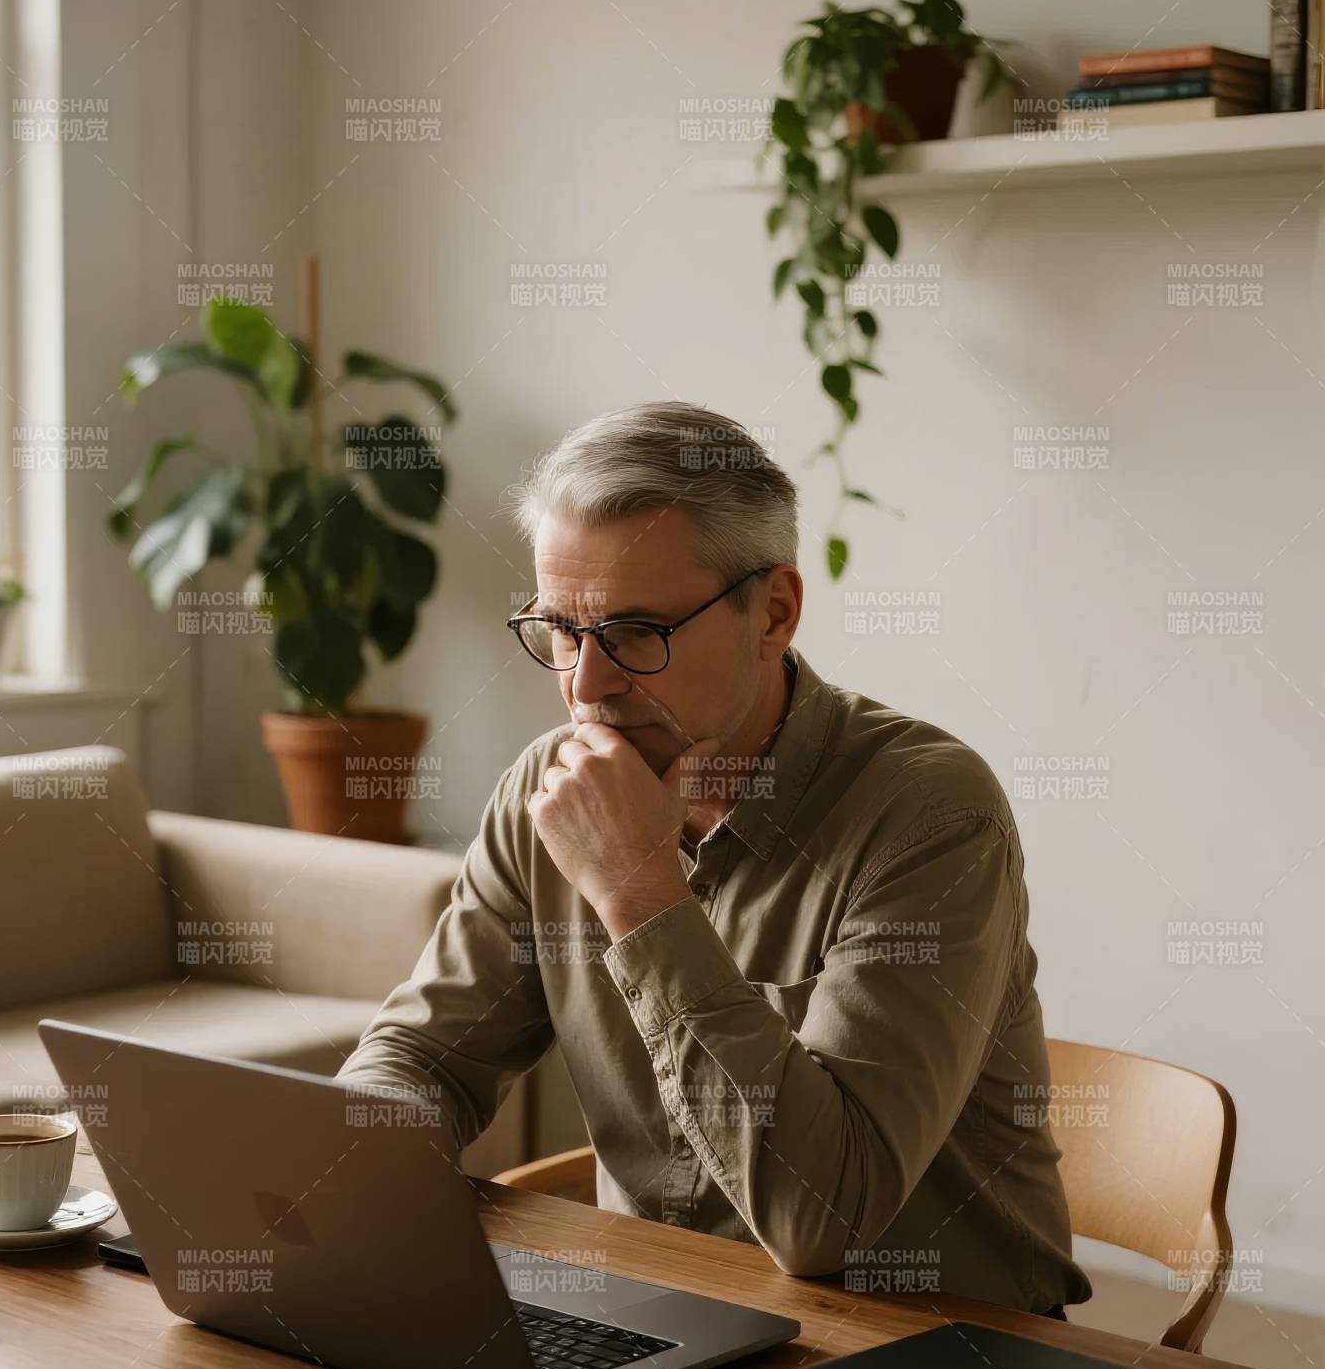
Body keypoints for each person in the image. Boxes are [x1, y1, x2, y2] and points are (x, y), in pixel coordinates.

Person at [339, 400, 1090, 1316]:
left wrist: (636, 889)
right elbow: (426, 1059)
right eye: (561, 630)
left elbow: (825, 1221)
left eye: (635, 633)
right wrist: (345, 1167)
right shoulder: (546, 787)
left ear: (773, 613)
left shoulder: (930, 814)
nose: (586, 686)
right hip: (658, 1315)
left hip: (935, 1347)